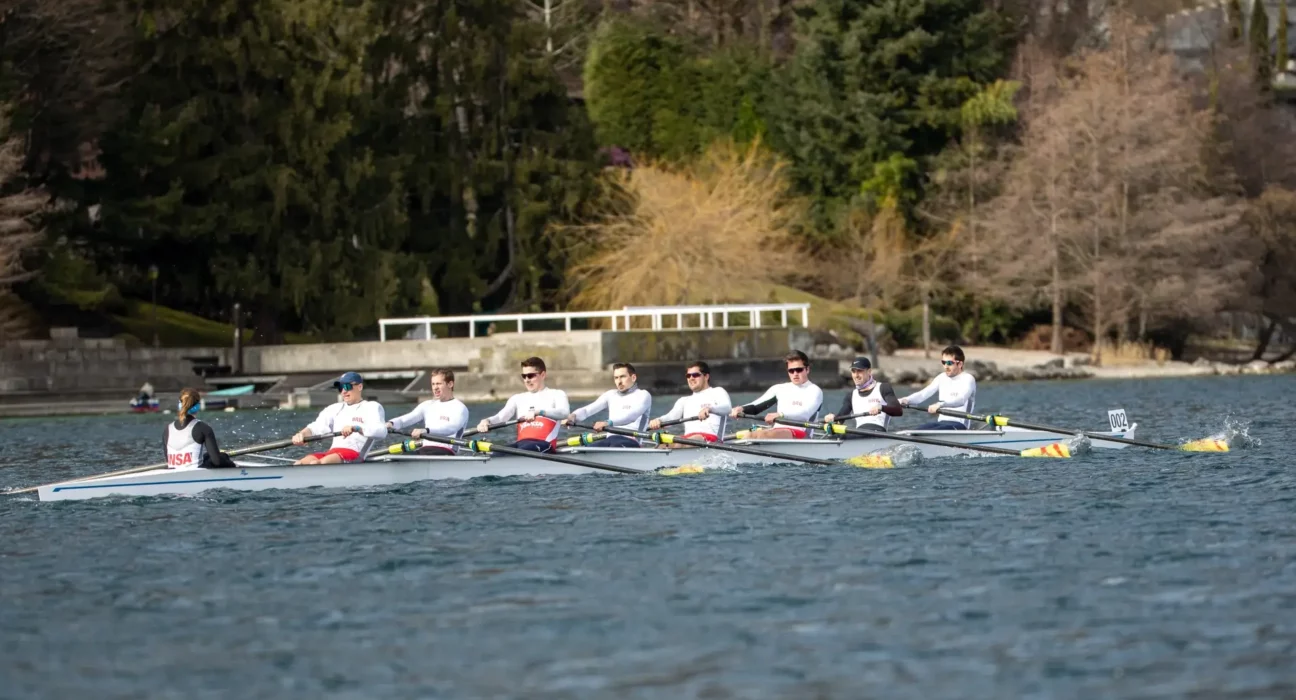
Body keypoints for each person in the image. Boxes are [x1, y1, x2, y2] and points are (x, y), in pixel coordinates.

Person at [476, 357, 570, 452]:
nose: (526, 380)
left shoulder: (557, 394)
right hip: (521, 445)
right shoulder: (517, 398)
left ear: (543, 375)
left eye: (530, 376)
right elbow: (501, 418)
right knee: (496, 453)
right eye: (524, 376)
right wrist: (487, 421)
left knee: (519, 452)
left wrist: (539, 412)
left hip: (544, 445)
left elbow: (564, 413)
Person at [291, 371, 388, 463]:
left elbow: (381, 431)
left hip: (355, 454)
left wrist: (356, 428)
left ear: (360, 387)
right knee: (300, 463)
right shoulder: (334, 408)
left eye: (347, 386)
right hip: (333, 453)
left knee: (320, 463)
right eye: (341, 388)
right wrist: (302, 434)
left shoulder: (372, 406)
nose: (344, 391)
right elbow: (316, 427)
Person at [730, 350, 823, 439]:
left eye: (799, 370)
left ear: (807, 369)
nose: (795, 374)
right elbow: (756, 406)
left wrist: (781, 414)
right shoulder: (779, 389)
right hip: (778, 431)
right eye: (791, 371)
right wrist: (742, 409)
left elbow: (805, 414)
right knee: (750, 434)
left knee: (755, 436)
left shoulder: (814, 391)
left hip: (801, 434)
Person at [561, 362, 652, 447]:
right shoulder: (610, 395)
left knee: (612, 444)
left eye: (622, 377)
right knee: (586, 451)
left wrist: (607, 423)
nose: (619, 381)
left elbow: (632, 416)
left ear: (633, 378)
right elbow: (587, 410)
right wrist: (573, 416)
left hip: (632, 441)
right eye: (616, 378)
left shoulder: (643, 395)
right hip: (611, 440)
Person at [648, 361, 732, 447]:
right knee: (661, 446)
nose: (691, 378)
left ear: (706, 376)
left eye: (695, 375)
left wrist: (710, 409)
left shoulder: (718, 391)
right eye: (688, 376)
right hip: (688, 440)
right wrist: (659, 420)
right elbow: (671, 417)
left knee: (683, 442)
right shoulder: (684, 401)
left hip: (712, 441)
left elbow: (727, 408)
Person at [386, 368, 469, 455]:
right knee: (400, 457)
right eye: (433, 384)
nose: (435, 388)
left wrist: (426, 430)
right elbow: (404, 420)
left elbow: (451, 429)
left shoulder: (460, 408)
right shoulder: (427, 405)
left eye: (439, 384)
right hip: (425, 450)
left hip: (447, 451)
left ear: (450, 384)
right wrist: (391, 423)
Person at [899, 345, 977, 429]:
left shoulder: (968, 379)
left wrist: (940, 404)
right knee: (916, 431)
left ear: (960, 364)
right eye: (944, 362)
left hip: (960, 426)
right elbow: (923, 394)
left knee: (930, 432)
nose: (946, 366)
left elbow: (961, 400)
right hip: (942, 423)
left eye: (950, 363)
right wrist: (906, 399)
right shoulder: (941, 377)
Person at [823, 357, 903, 433]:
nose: (856, 375)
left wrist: (881, 407)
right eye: (853, 371)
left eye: (859, 371)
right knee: (834, 436)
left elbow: (898, 411)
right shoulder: (851, 395)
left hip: (878, 432)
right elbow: (839, 420)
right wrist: (832, 419)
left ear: (869, 371)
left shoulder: (883, 388)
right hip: (859, 433)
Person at [164, 387, 236, 469]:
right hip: (195, 474)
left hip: (173, 472)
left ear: (180, 404)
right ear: (197, 405)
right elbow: (217, 462)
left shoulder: (167, 429)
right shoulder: (203, 428)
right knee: (222, 456)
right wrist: (231, 464)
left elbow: (168, 460)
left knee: (207, 455)